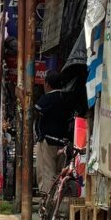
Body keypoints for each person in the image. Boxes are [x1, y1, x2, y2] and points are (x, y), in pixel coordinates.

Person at [34, 69, 71, 197]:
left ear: (47, 84)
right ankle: (57, 200)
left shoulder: (47, 98)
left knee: (47, 173)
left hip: (48, 142)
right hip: (63, 142)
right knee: (59, 174)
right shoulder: (66, 98)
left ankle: (47, 201)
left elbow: (33, 112)